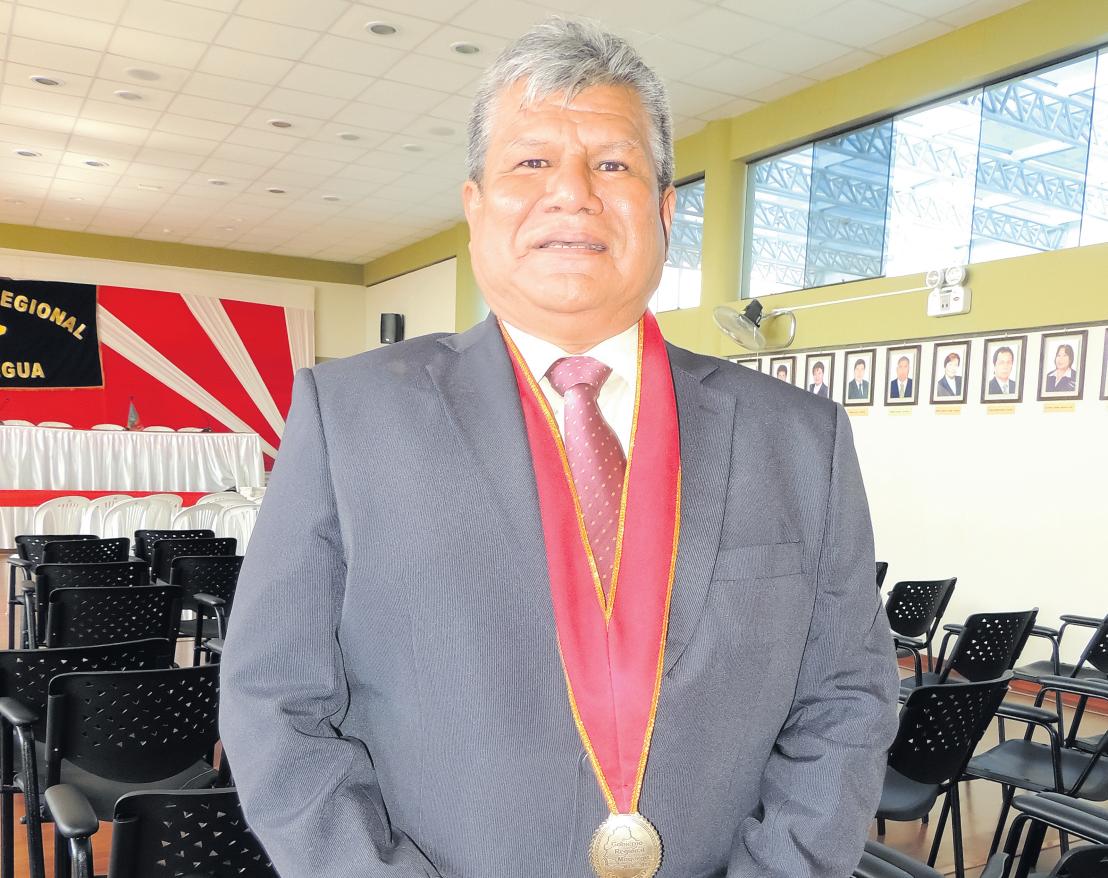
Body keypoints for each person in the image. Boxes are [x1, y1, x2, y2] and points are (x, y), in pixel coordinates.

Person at [219, 19, 898, 878]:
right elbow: (274, 699)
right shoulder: (348, 416)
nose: (572, 193)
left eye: (612, 165)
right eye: (531, 162)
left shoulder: (800, 438)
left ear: (663, 210)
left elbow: (847, 697)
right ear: (476, 207)